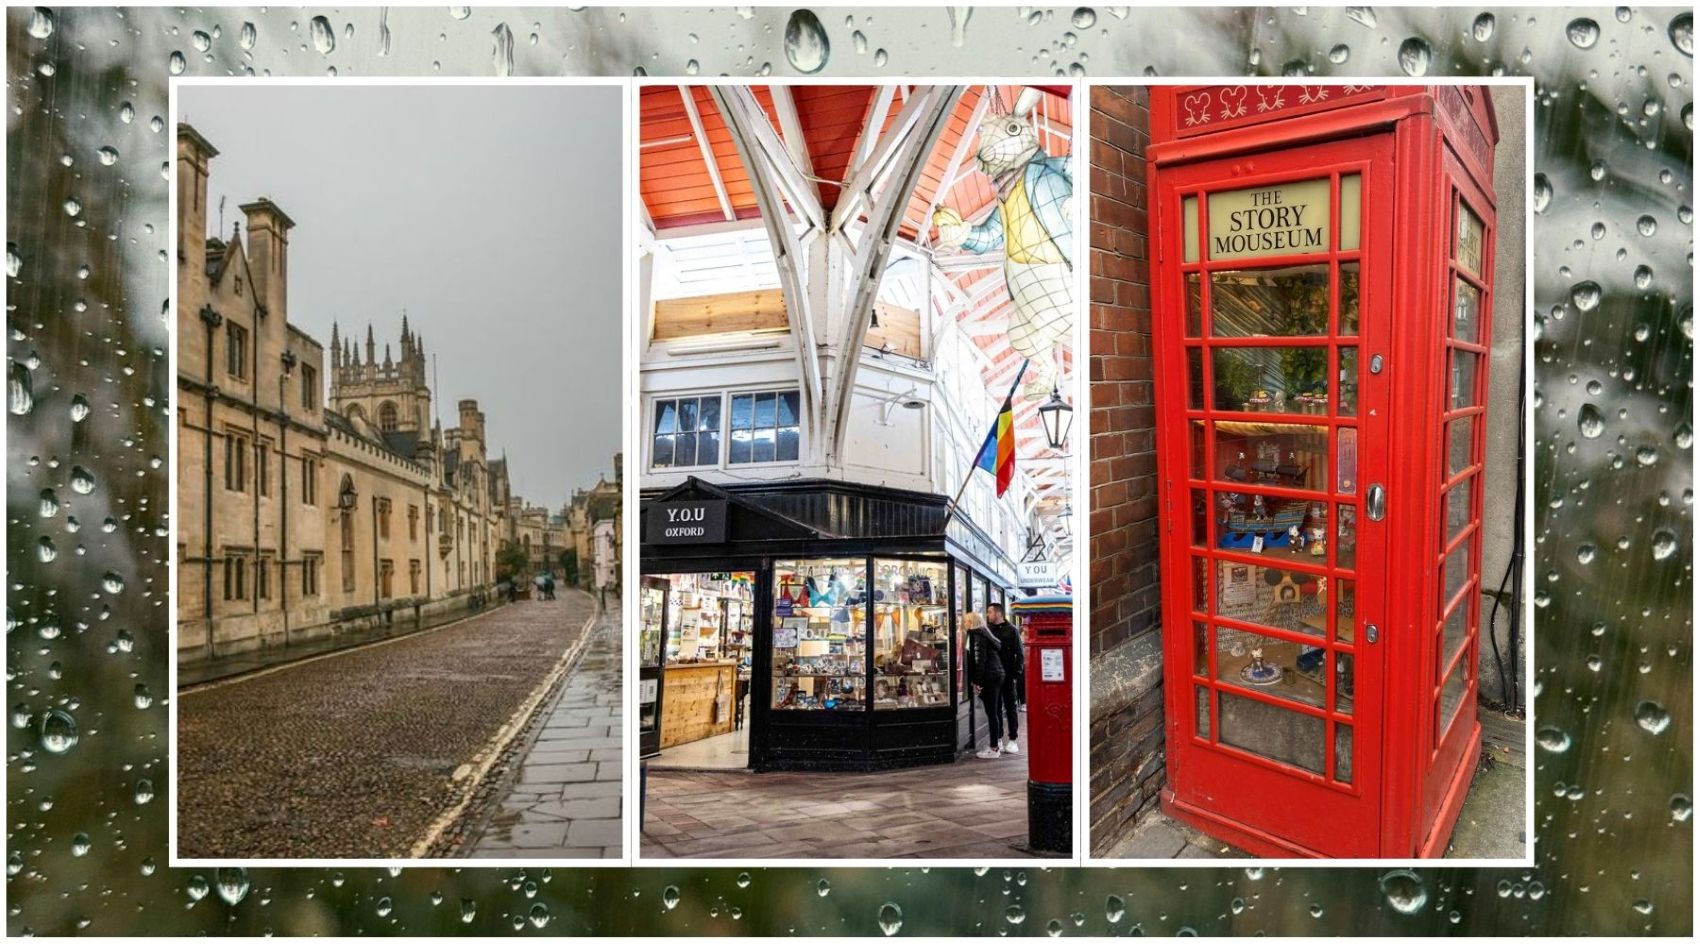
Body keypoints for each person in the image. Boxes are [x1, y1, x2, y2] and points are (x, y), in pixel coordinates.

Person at [963, 611, 1007, 759]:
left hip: (989, 677)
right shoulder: (985, 633)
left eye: (966, 622)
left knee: (992, 712)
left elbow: (979, 660)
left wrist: (977, 682)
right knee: (995, 711)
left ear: (971, 623)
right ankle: (997, 742)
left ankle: (994, 748)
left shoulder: (975, 635)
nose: (964, 624)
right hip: (997, 675)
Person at [986, 602, 1024, 754]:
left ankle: (1013, 739)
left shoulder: (1012, 631)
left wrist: (1016, 674)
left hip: (1008, 675)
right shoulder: (987, 631)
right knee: (995, 708)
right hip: (993, 676)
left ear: (998, 613)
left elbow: (1020, 654)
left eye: (990, 612)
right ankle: (999, 738)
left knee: (1010, 707)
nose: (988, 615)